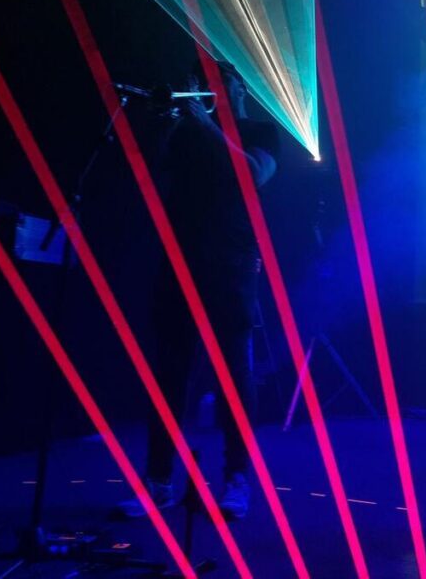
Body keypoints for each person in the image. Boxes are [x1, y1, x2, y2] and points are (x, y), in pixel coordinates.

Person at [118, 61, 280, 520]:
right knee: (168, 375)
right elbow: (147, 169)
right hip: (178, 265)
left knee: (234, 378)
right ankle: (158, 481)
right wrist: (170, 120)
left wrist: (208, 122)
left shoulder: (260, 130)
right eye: (204, 82)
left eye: (220, 80)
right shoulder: (188, 132)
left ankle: (236, 480)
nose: (211, 88)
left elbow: (253, 174)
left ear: (239, 86)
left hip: (231, 269)